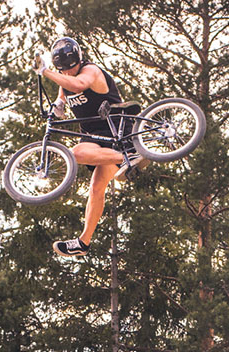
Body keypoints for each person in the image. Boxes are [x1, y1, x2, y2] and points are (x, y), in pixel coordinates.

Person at [36, 36, 145, 258]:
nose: (68, 73)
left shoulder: (91, 71)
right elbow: (65, 91)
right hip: (95, 137)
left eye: (71, 67)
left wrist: (46, 72)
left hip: (116, 129)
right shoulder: (66, 77)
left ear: (79, 60)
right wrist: (58, 105)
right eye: (63, 70)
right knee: (96, 187)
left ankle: (128, 155)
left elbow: (79, 85)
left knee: (74, 153)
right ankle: (83, 243)